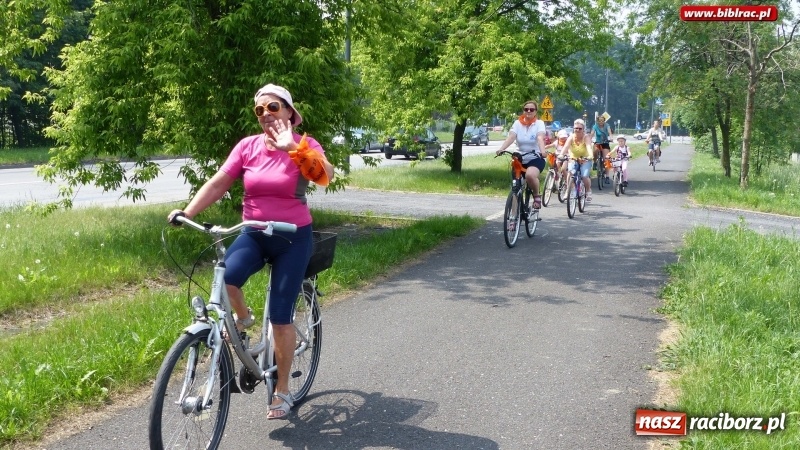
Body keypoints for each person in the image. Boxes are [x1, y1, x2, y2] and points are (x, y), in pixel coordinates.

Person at [167, 83, 334, 420]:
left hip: (292, 237)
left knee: (281, 316)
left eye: (273, 107)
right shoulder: (247, 147)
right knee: (225, 279)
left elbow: (324, 177)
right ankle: (243, 320)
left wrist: (293, 148)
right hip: (254, 233)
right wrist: (188, 212)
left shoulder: (305, 145)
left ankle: (283, 389)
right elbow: (219, 182)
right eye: (259, 110)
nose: (266, 115)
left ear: (289, 111)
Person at [495, 100, 547, 209]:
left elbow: (540, 138)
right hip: (519, 157)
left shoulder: (539, 123)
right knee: (516, 186)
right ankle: (514, 216)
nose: (528, 111)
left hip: (535, 157)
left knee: (530, 176)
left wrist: (543, 151)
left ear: (535, 112)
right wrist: (502, 149)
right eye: (526, 109)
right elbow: (511, 137)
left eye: (531, 109)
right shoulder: (517, 123)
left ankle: (536, 196)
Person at [561, 119, 594, 202]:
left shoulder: (586, 137)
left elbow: (588, 147)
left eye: (580, 128)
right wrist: (561, 154)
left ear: (583, 129)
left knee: (584, 176)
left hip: (585, 159)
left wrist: (590, 156)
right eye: (576, 128)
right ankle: (568, 191)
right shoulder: (571, 137)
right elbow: (565, 147)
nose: (578, 130)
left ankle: (588, 191)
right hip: (573, 158)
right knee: (570, 172)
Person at [591, 114, 614, 184]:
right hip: (598, 142)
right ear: (597, 121)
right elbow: (592, 133)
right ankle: (595, 162)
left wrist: (611, 138)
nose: (601, 122)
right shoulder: (595, 126)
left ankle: (607, 176)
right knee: (595, 151)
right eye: (599, 121)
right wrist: (589, 139)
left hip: (605, 143)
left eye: (602, 121)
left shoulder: (607, 125)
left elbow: (609, 132)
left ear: (604, 121)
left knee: (606, 159)